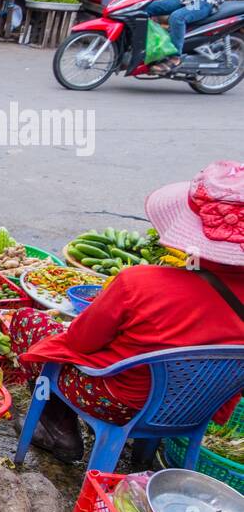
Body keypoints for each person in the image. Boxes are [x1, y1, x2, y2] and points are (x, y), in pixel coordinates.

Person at [14, 160, 244, 461]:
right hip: (195, 407)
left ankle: (57, 427)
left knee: (30, 322)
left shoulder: (140, 283)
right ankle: (143, 451)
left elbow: (80, 343)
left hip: (117, 402)